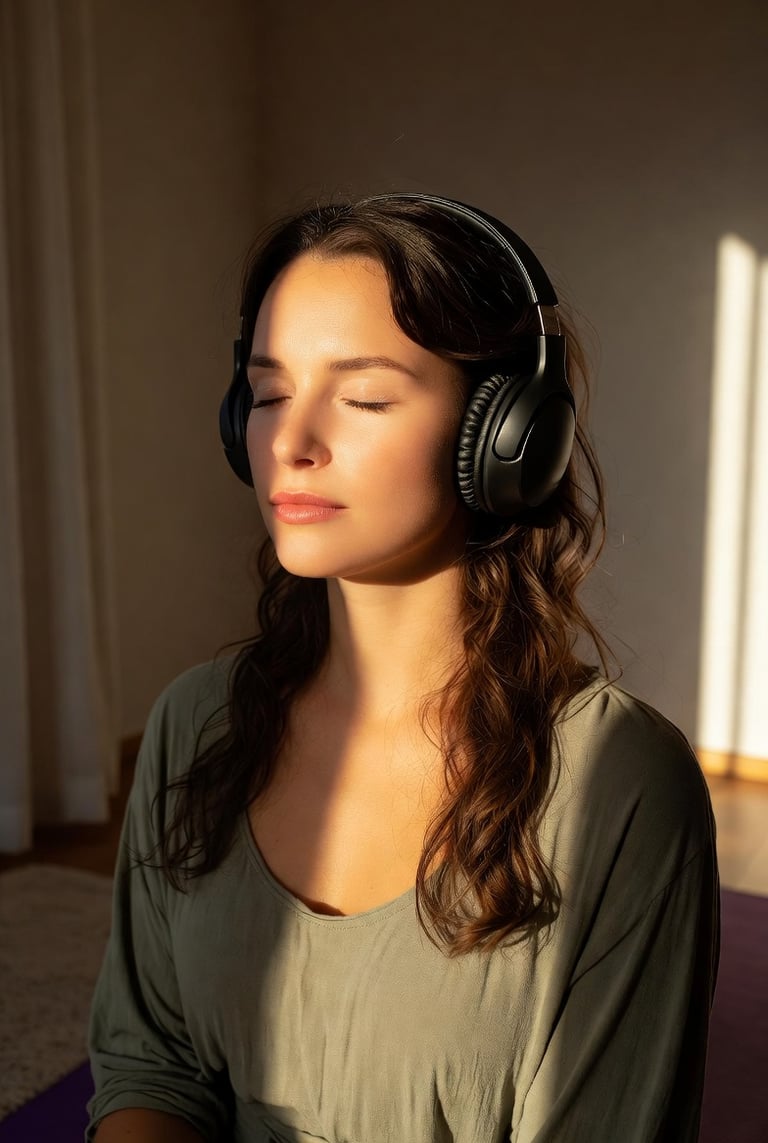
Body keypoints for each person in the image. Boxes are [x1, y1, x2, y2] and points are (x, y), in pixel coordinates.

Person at [86, 193, 719, 1143]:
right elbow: (152, 1066)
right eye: (266, 394)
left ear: (505, 437)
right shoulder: (194, 724)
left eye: (364, 397)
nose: (290, 445)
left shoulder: (617, 783)